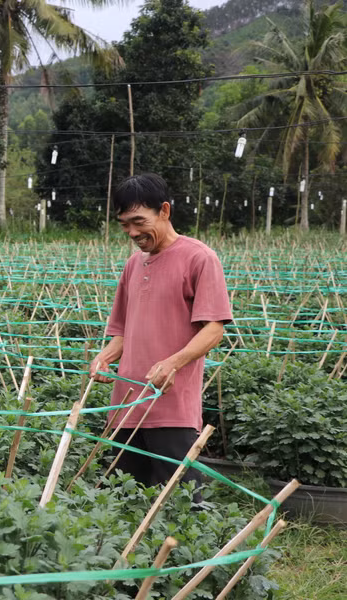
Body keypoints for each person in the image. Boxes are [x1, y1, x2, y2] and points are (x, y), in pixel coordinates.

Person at [89, 173, 232, 493]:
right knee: (120, 499)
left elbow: (214, 329)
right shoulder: (132, 266)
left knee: (181, 502)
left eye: (139, 221)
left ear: (164, 211)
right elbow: (123, 332)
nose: (132, 232)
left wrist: (172, 363)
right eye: (124, 224)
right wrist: (104, 357)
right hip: (125, 404)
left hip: (171, 406)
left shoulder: (199, 258)